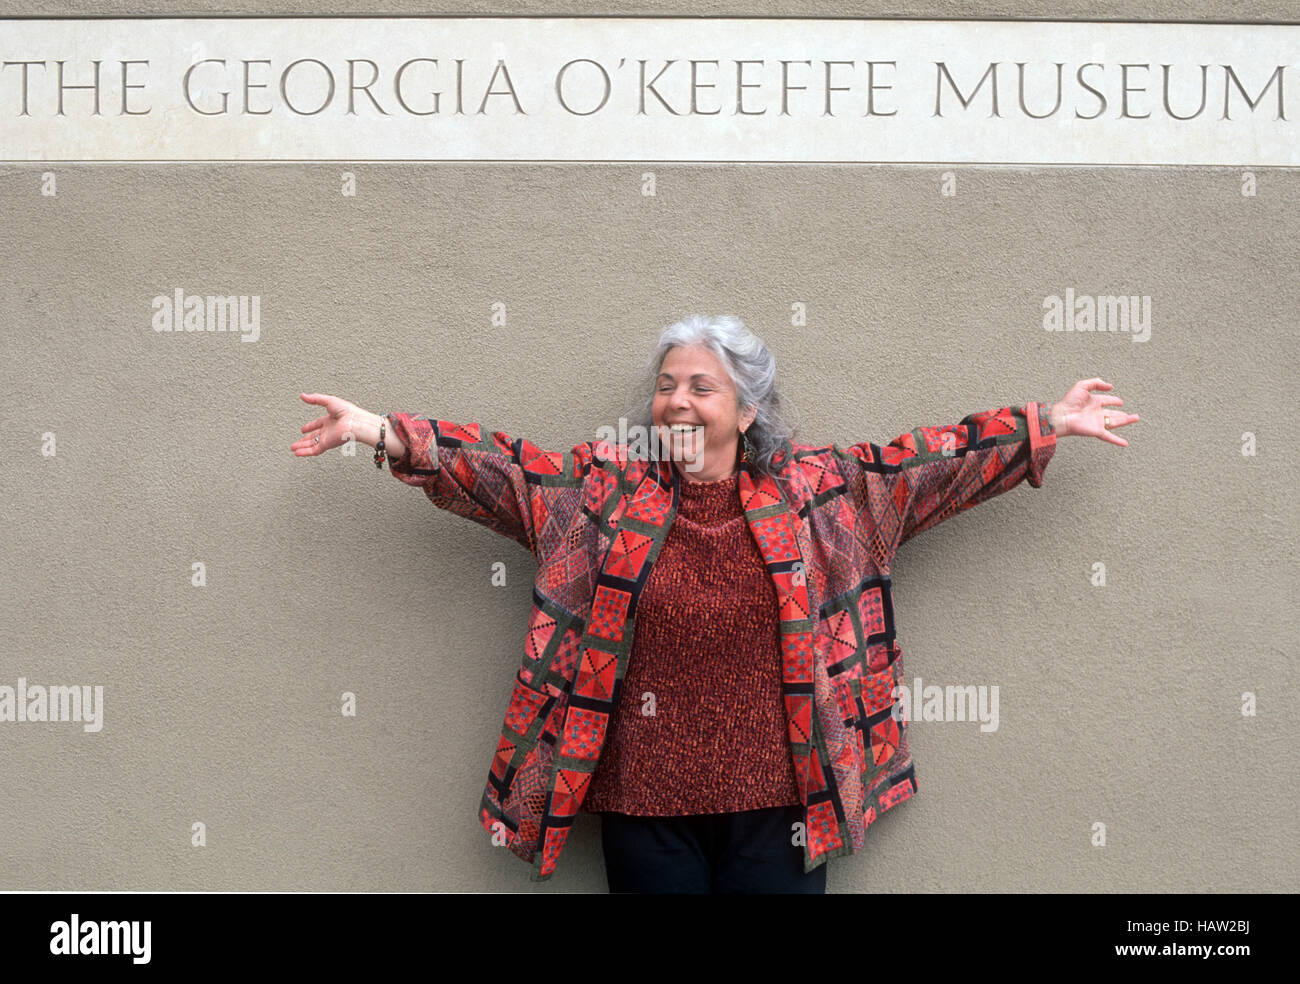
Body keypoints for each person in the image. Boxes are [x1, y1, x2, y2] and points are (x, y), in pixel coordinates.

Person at [291, 314, 1138, 893]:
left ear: (747, 406)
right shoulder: (603, 493)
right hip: (644, 807)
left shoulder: (819, 494)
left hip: (783, 806)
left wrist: (1044, 425)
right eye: (667, 385)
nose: (678, 401)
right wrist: (381, 432)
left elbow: (926, 468)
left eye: (701, 385)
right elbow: (506, 474)